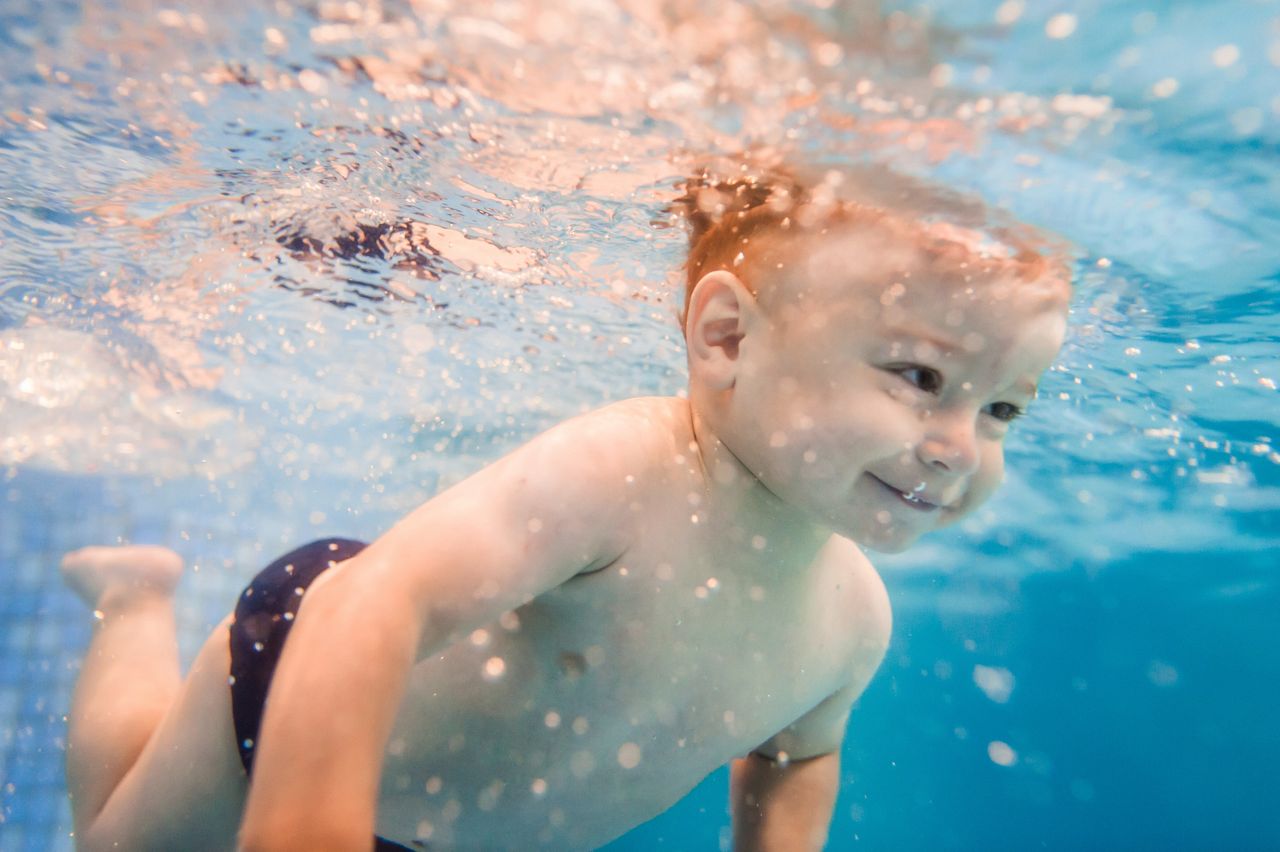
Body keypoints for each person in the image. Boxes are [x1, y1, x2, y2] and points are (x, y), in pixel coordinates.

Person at [59, 156, 1071, 851]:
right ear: (725, 339)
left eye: (1001, 410)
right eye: (921, 379)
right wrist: (305, 828)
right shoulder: (623, 470)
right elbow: (367, 602)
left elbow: (796, 754)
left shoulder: (853, 621)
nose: (957, 448)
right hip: (306, 692)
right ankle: (134, 602)